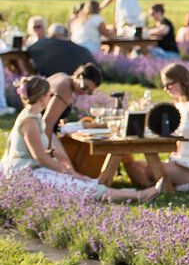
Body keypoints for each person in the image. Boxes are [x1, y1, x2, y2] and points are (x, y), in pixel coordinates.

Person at [1, 77, 160, 202]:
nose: (50, 98)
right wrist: (69, 172)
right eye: (49, 95)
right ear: (43, 97)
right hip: (23, 176)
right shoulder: (29, 121)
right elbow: (40, 158)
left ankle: (136, 194)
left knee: (81, 182)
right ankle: (138, 196)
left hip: (30, 171)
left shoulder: (34, 117)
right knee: (75, 184)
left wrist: (65, 166)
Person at [42, 63, 103, 162]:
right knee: (66, 166)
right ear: (79, 77)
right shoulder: (65, 90)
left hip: (36, 130)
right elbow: (46, 123)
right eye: (84, 87)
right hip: (40, 134)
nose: (85, 92)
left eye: (90, 92)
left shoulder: (62, 76)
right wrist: (48, 153)